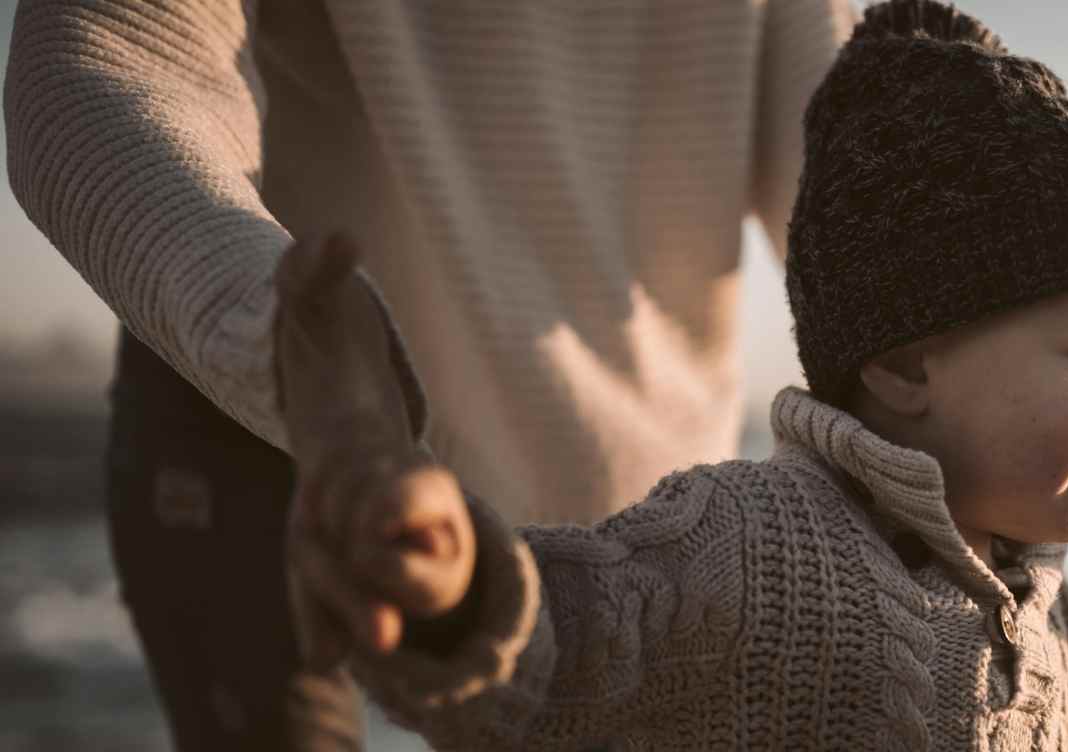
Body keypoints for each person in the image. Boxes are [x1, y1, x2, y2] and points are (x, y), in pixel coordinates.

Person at [275, 3, 1068, 749]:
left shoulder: (1027, 604)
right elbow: (561, 645)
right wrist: (456, 579)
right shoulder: (746, 541)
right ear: (899, 358)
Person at [7, 0, 857, 747]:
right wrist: (313, 374)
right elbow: (102, 52)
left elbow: (856, 184)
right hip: (291, 416)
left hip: (637, 518)